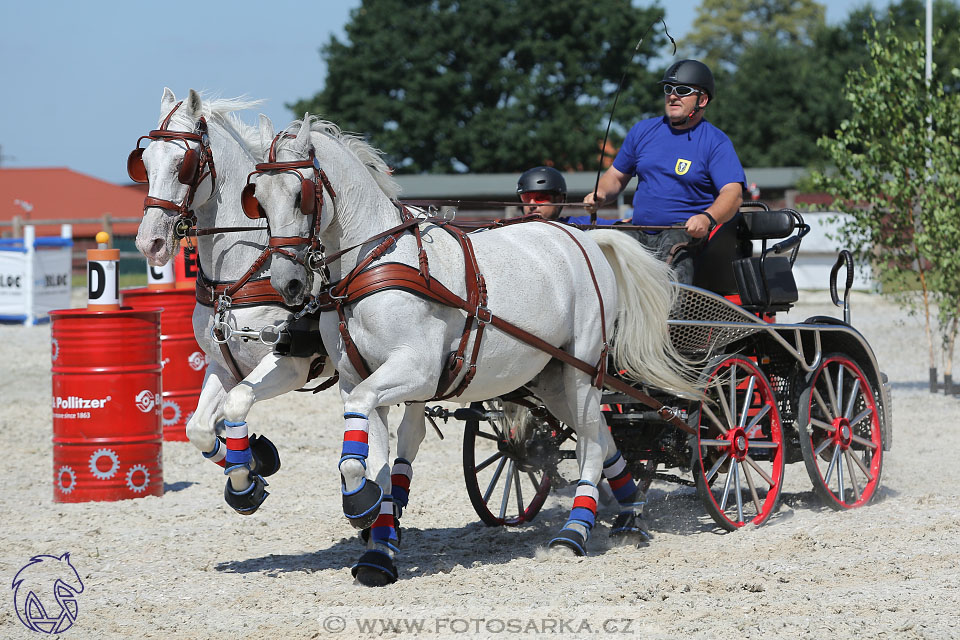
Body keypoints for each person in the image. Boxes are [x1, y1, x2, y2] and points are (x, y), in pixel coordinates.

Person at [583, 59, 746, 284]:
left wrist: (707, 218)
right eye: (668, 89)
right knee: (603, 249)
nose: (672, 96)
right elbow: (615, 177)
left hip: (685, 234)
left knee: (674, 250)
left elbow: (733, 194)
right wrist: (599, 194)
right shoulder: (642, 131)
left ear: (703, 99)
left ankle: (674, 319)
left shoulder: (715, 142)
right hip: (639, 230)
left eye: (682, 90)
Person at [517, 166, 618, 225]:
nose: (531, 204)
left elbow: (624, 225)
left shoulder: (578, 225)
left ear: (560, 199)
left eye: (540, 197)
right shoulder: (512, 230)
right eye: (526, 198)